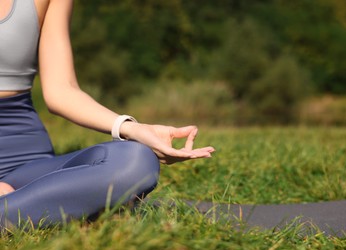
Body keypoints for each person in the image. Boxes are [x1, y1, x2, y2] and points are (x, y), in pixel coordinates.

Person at [0, 0, 215, 228]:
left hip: (26, 165)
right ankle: (30, 210)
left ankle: (18, 208)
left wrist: (131, 128)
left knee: (136, 160)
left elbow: (61, 90)